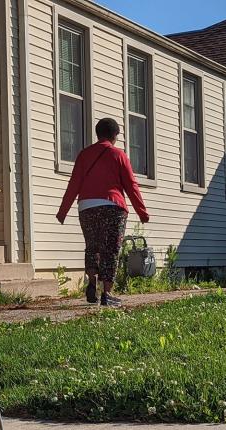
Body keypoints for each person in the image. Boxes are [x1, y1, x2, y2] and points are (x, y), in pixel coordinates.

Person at [56, 118, 149, 307]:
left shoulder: (84, 155)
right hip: (112, 206)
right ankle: (107, 293)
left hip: (87, 207)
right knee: (110, 250)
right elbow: (131, 185)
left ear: (98, 133)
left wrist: (63, 211)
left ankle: (92, 283)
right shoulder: (118, 155)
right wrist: (142, 212)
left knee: (92, 247)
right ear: (115, 135)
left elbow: (73, 184)